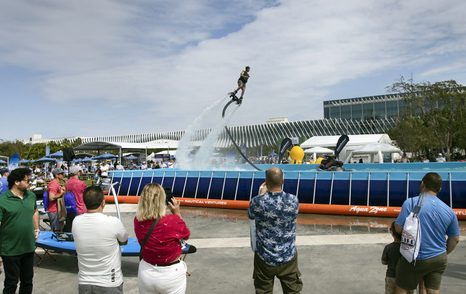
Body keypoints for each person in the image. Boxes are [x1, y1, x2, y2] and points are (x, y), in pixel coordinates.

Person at [395, 172, 460, 294]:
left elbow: (398, 228)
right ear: (439, 189)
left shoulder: (411, 203)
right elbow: (455, 239)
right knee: (433, 291)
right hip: (438, 258)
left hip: (414, 258)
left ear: (422, 184)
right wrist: (443, 253)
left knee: (402, 289)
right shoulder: (449, 211)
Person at [248, 167, 303, 294]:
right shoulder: (293, 200)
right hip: (288, 256)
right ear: (282, 181)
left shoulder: (256, 202)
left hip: (264, 257)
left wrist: (261, 195)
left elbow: (251, 216)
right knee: (293, 290)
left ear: (266, 182)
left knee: (263, 290)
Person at [134, 183, 190, 294]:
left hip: (146, 271)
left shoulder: (138, 220)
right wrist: (177, 213)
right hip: (171, 274)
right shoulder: (172, 221)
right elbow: (185, 234)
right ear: (162, 200)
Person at [72, 186, 128, 294]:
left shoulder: (76, 221)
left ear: (85, 202)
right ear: (103, 202)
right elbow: (124, 240)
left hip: (85, 282)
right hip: (109, 282)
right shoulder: (113, 222)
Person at [0, 168, 40, 294]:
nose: (30, 183)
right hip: (10, 250)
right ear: (17, 182)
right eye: (27, 180)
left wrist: (37, 228)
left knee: (27, 281)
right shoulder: (3, 201)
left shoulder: (31, 196)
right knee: (11, 283)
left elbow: (34, 211)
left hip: (28, 247)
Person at [382, 222, 414, 294]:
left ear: (392, 233)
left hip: (391, 276)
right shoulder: (409, 248)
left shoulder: (388, 247)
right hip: (407, 277)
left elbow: (384, 262)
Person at [64, 165, 87, 232]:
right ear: (77, 172)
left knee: (71, 228)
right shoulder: (81, 183)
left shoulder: (67, 183)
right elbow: (86, 195)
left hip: (70, 208)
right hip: (80, 208)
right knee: (81, 230)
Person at [47, 167, 66, 232]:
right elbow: (51, 198)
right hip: (54, 210)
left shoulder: (57, 183)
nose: (63, 175)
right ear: (57, 175)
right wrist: (61, 193)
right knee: (56, 231)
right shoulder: (54, 184)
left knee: (59, 230)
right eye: (61, 173)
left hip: (57, 209)